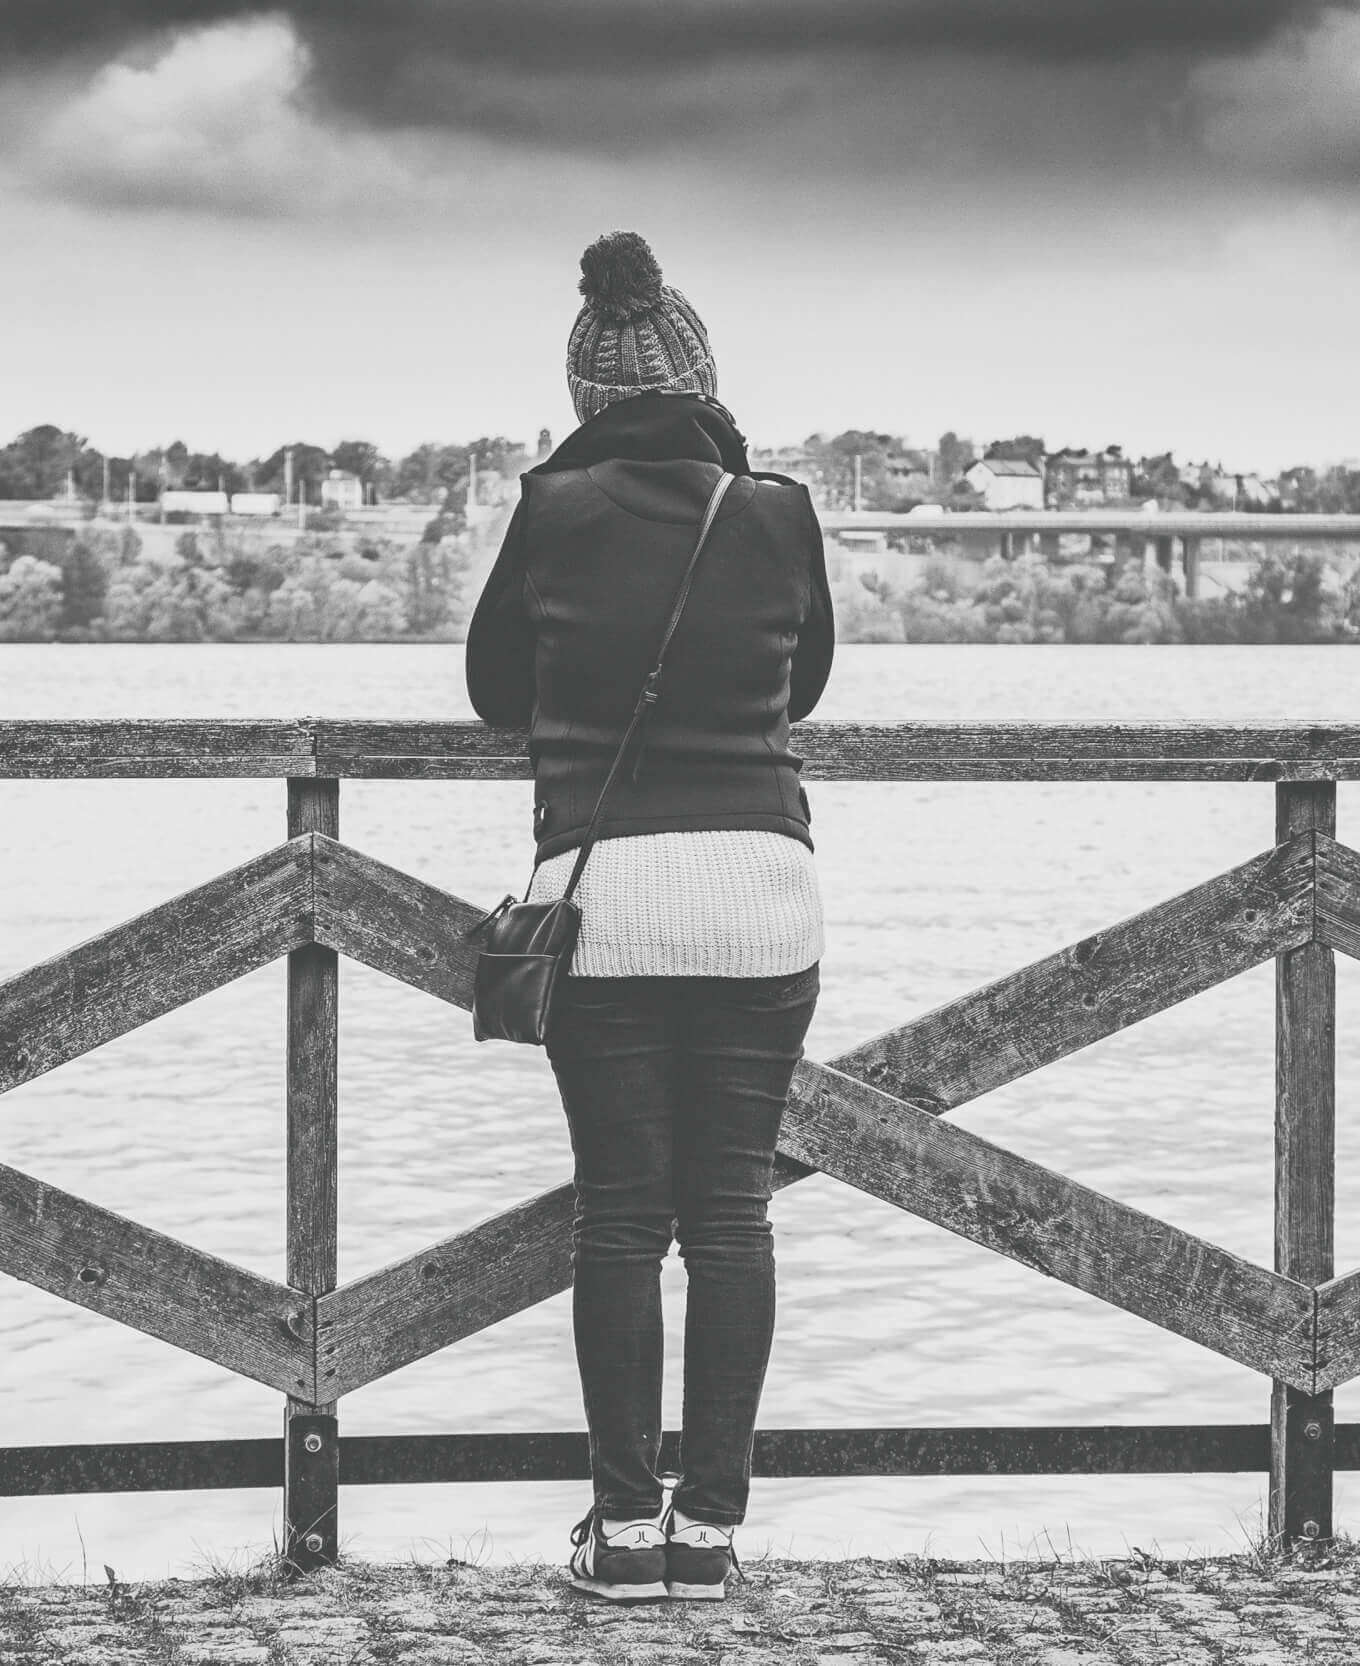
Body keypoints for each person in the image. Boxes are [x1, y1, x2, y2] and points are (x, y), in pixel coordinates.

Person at [466, 231, 835, 1602]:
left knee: (623, 1217)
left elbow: (496, 689)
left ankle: (624, 1531)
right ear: (704, 378)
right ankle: (713, 1533)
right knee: (729, 1214)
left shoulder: (552, 509)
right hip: (761, 894)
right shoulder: (777, 509)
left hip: (608, 898)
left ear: (585, 396)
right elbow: (802, 687)